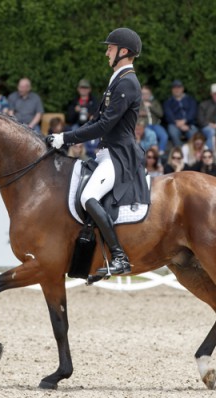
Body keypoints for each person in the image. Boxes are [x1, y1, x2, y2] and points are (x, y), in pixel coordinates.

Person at [48, 28, 147, 275]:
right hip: (106, 152)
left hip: (119, 155)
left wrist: (66, 139)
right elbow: (95, 121)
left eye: (110, 48)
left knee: (88, 196)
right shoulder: (117, 80)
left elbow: (105, 126)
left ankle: (120, 256)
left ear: (123, 52)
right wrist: (63, 137)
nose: (106, 53)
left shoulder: (128, 83)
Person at [163, 80, 198, 147]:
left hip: (189, 123)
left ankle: (192, 152)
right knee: (173, 132)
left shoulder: (190, 99)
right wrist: (178, 124)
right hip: (174, 124)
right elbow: (168, 115)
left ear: (182, 89)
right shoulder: (168, 102)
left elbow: (193, 112)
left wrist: (185, 121)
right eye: (174, 88)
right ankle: (179, 151)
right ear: (172, 90)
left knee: (194, 133)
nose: (177, 90)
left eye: (179, 88)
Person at [139, 85, 168, 155]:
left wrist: (151, 107)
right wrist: (139, 113)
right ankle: (149, 154)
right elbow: (132, 114)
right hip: (144, 125)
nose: (145, 95)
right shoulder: (138, 103)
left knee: (164, 135)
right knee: (151, 135)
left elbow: (161, 114)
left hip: (155, 125)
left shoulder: (155, 102)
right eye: (143, 94)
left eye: (147, 93)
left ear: (150, 94)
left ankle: (161, 152)